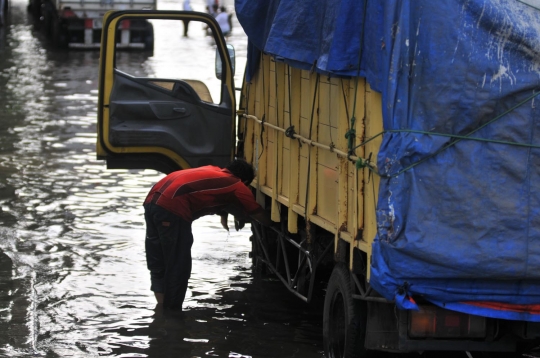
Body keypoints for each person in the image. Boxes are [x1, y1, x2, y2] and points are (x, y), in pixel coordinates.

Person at [143, 159, 272, 310]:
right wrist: (274, 223)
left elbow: (209, 194)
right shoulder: (236, 184)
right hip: (173, 208)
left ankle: (161, 310)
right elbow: (256, 212)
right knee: (178, 265)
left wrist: (223, 212)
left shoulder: (213, 170)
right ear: (244, 181)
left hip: (152, 201)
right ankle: (173, 314)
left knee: (158, 260)